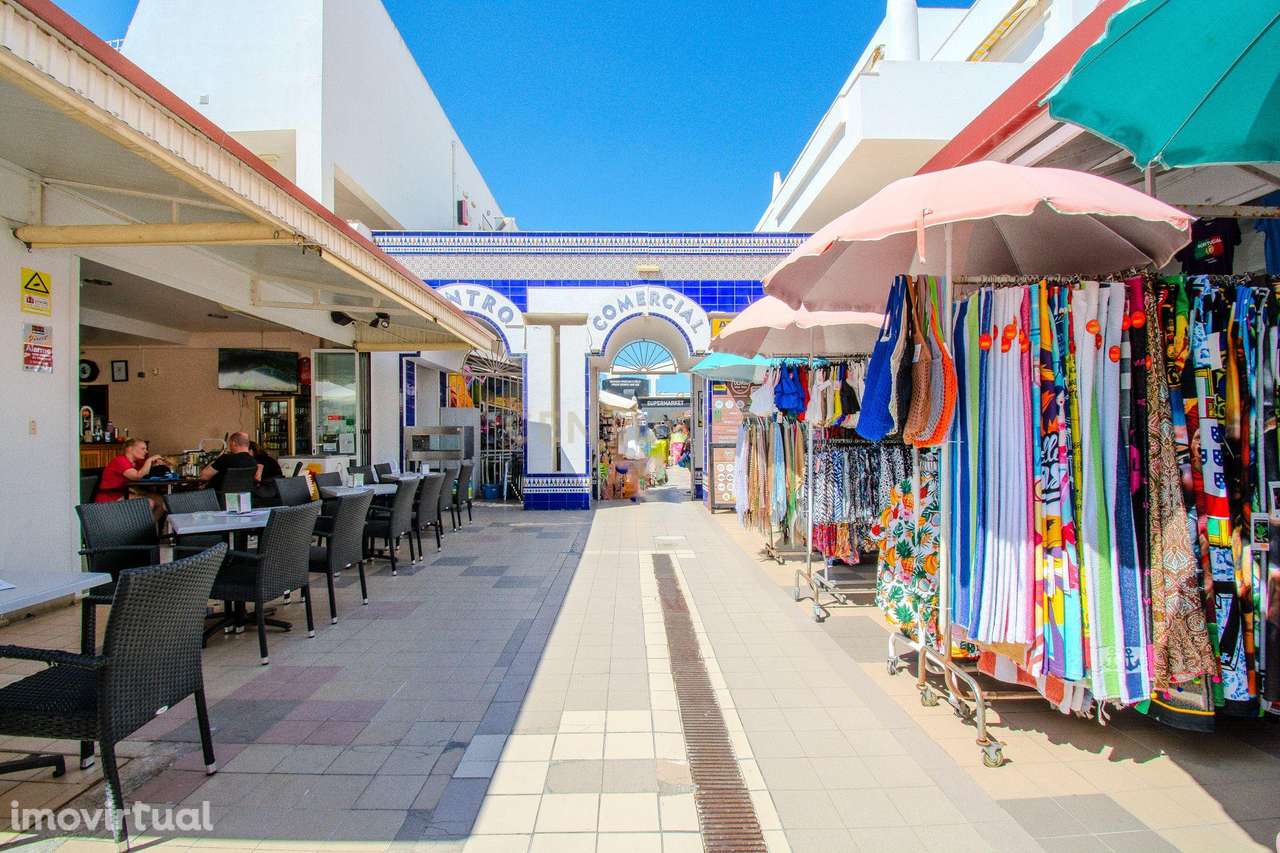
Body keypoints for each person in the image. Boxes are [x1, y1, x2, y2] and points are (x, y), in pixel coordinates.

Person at [94, 438, 167, 502]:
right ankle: (139, 518)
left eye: (146, 449)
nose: (146, 451)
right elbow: (137, 476)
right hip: (110, 497)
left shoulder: (137, 463)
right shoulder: (120, 460)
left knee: (161, 501)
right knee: (148, 502)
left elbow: (146, 473)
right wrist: (149, 460)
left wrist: (156, 464)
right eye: (143, 449)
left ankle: (148, 518)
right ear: (130, 449)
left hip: (126, 493)